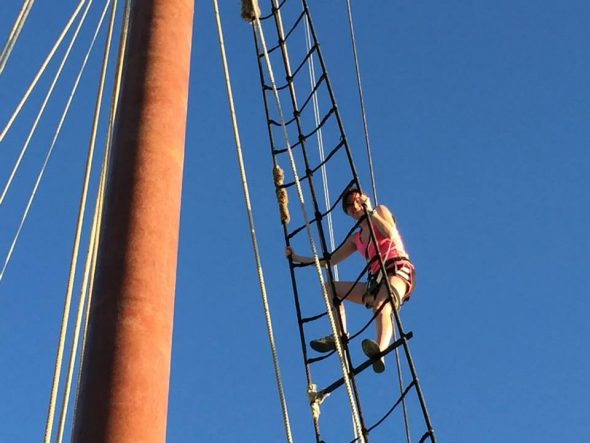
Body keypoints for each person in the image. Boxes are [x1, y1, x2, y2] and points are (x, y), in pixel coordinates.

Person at [285, 188, 415, 373]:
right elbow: (330, 260)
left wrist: (370, 211)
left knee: (381, 305)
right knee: (329, 288)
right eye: (349, 207)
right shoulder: (356, 238)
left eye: (356, 201)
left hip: (397, 271)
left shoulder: (380, 211)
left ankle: (380, 351)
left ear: (364, 199)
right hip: (375, 281)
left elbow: (390, 233)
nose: (354, 207)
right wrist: (298, 258)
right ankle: (340, 335)